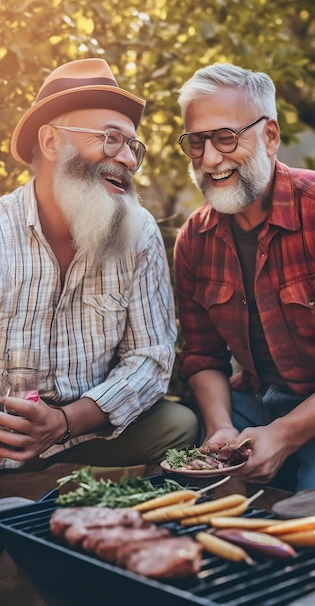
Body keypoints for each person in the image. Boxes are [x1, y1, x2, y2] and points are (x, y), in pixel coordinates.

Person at [0, 58, 199, 474]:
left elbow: (151, 357)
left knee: (179, 425)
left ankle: (55, 489)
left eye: (132, 145)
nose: (127, 158)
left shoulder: (138, 232)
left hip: (83, 435)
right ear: (52, 143)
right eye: (111, 138)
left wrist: (65, 422)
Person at [174, 62, 315, 491]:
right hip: (256, 403)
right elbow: (202, 355)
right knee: (195, 486)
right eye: (196, 143)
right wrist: (220, 428)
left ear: (270, 136)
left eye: (225, 138)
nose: (210, 159)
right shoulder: (193, 241)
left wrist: (285, 435)